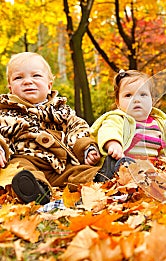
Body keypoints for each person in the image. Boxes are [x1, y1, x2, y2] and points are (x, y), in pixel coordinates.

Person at [0, 52, 102, 205]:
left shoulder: (61, 112)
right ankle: (35, 192)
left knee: (79, 172)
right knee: (18, 170)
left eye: (36, 76)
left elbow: (77, 128)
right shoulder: (6, 113)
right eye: (18, 78)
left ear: (49, 86)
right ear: (10, 88)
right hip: (26, 160)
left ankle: (103, 175)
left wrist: (86, 148)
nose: (27, 81)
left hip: (60, 166)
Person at [90, 70, 166, 179]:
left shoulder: (159, 124)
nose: (136, 100)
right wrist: (113, 144)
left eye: (143, 94)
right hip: (125, 167)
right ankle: (106, 176)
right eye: (128, 95)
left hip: (151, 168)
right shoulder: (118, 118)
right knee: (114, 162)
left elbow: (165, 150)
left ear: (152, 100)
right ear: (118, 102)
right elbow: (109, 130)